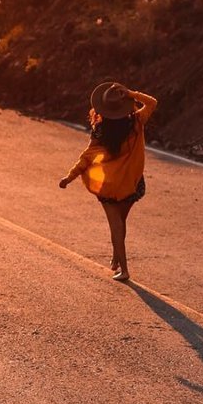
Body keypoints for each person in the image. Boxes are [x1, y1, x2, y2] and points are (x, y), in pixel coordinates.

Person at [59, 82, 158, 282]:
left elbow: (86, 158)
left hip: (109, 186)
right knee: (121, 223)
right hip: (133, 184)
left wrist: (69, 177)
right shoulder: (137, 122)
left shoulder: (101, 130)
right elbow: (152, 102)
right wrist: (131, 93)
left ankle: (124, 269)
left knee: (116, 227)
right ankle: (117, 259)